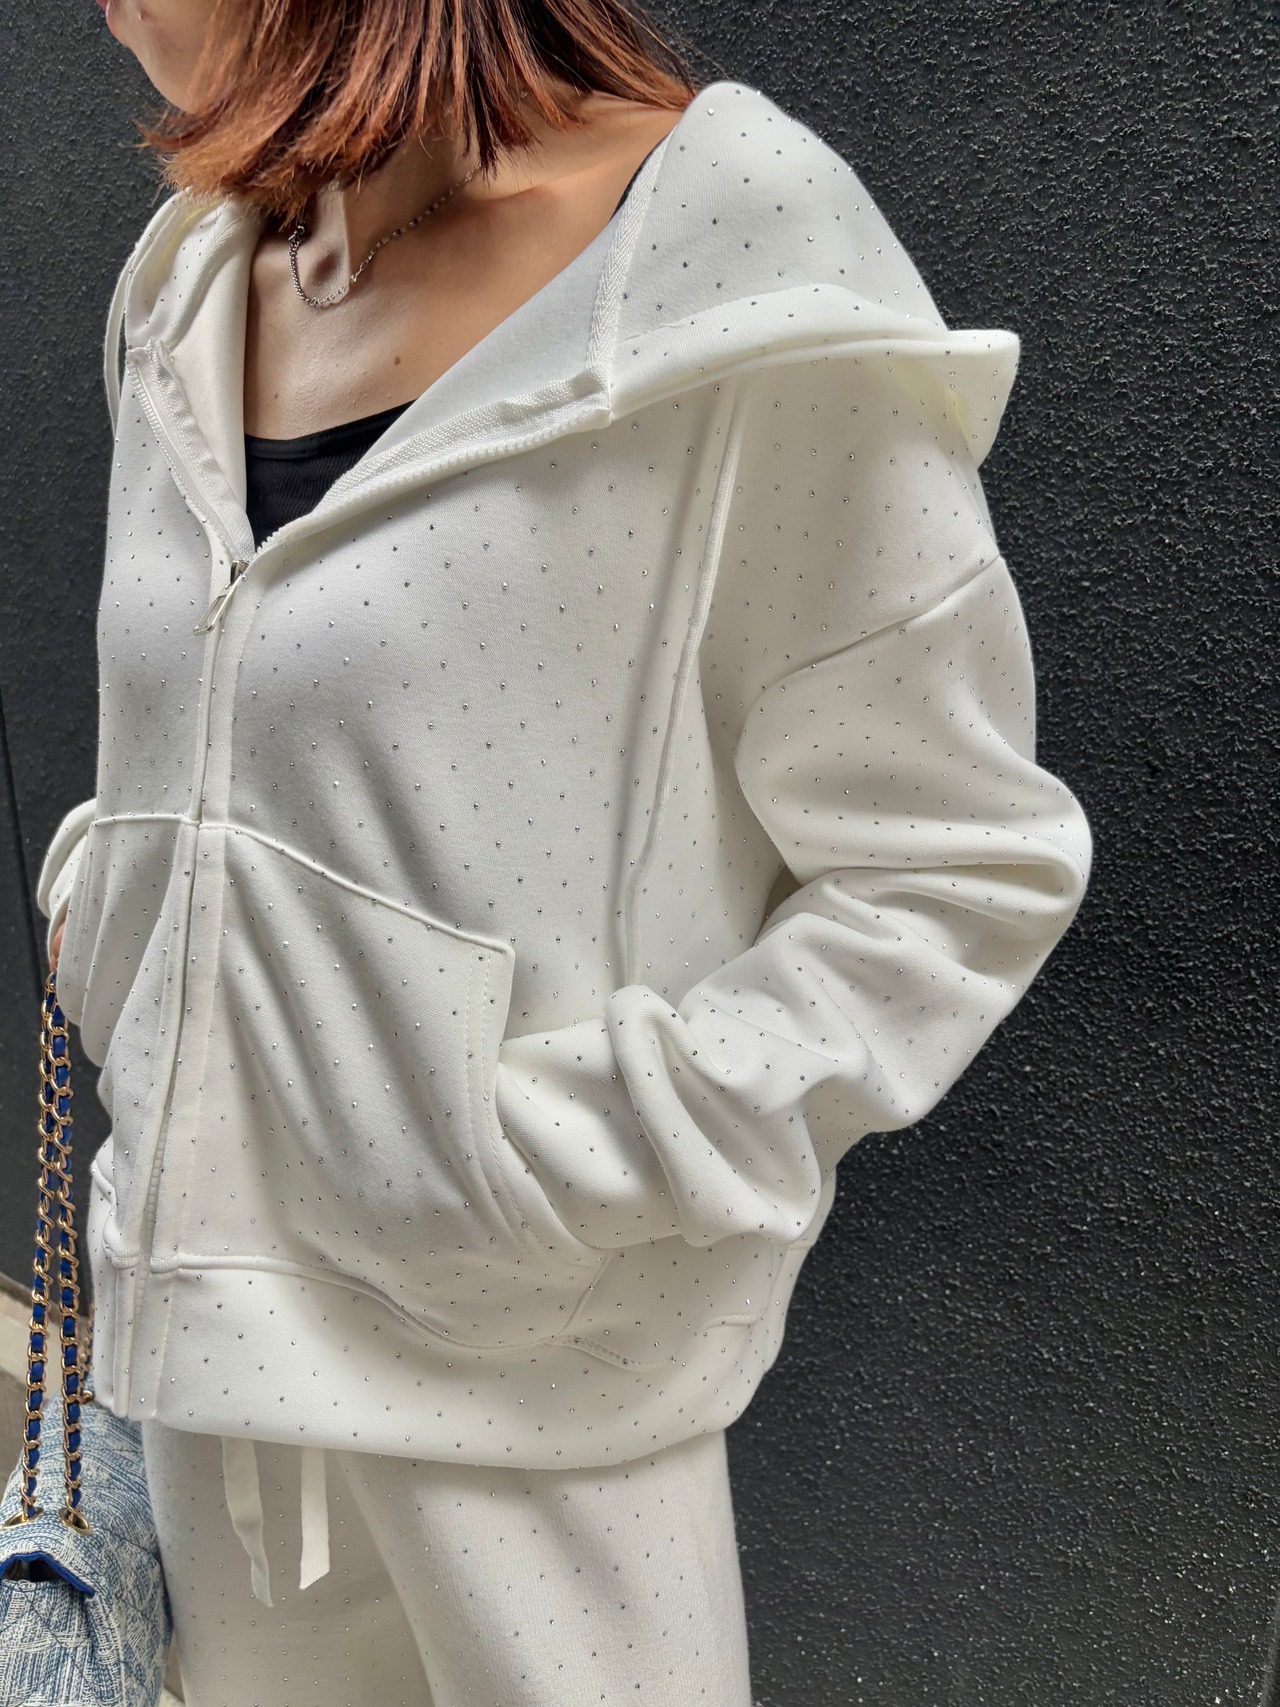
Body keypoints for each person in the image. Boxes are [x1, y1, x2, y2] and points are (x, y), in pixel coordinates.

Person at [40, 1, 1094, 1701]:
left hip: (531, 1396)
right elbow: (220, 731)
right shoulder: (192, 277)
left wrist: (565, 1161)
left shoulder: (719, 256)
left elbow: (955, 862)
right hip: (212, 1370)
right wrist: (111, 908)